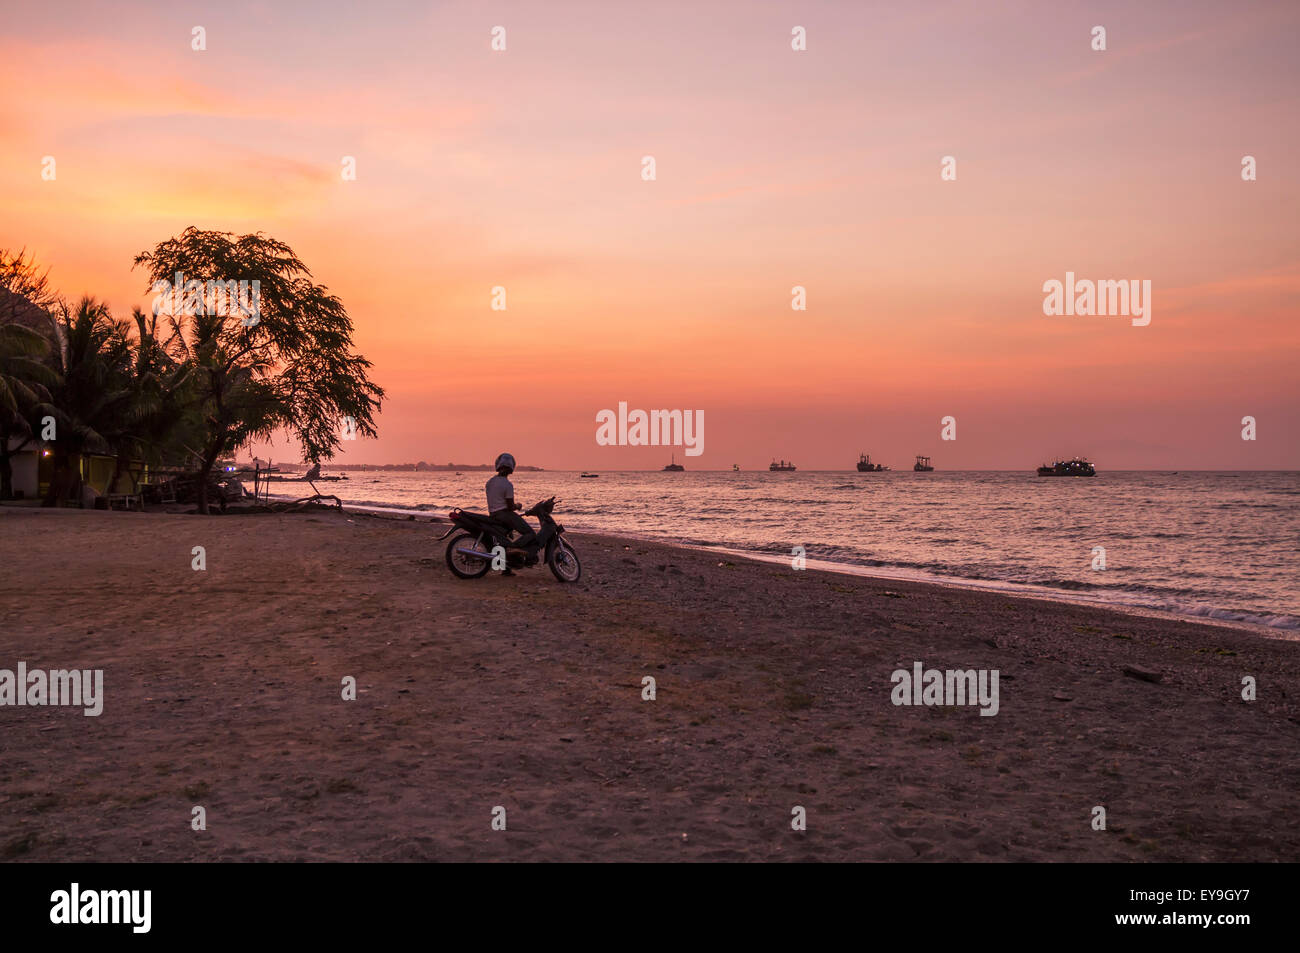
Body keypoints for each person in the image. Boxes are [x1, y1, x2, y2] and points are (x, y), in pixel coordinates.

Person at [486, 452, 536, 551]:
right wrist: (517, 506)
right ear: (511, 469)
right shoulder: (508, 485)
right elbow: (510, 507)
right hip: (504, 515)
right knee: (530, 533)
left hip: (492, 514)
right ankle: (513, 549)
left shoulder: (490, 482)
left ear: (498, 466)